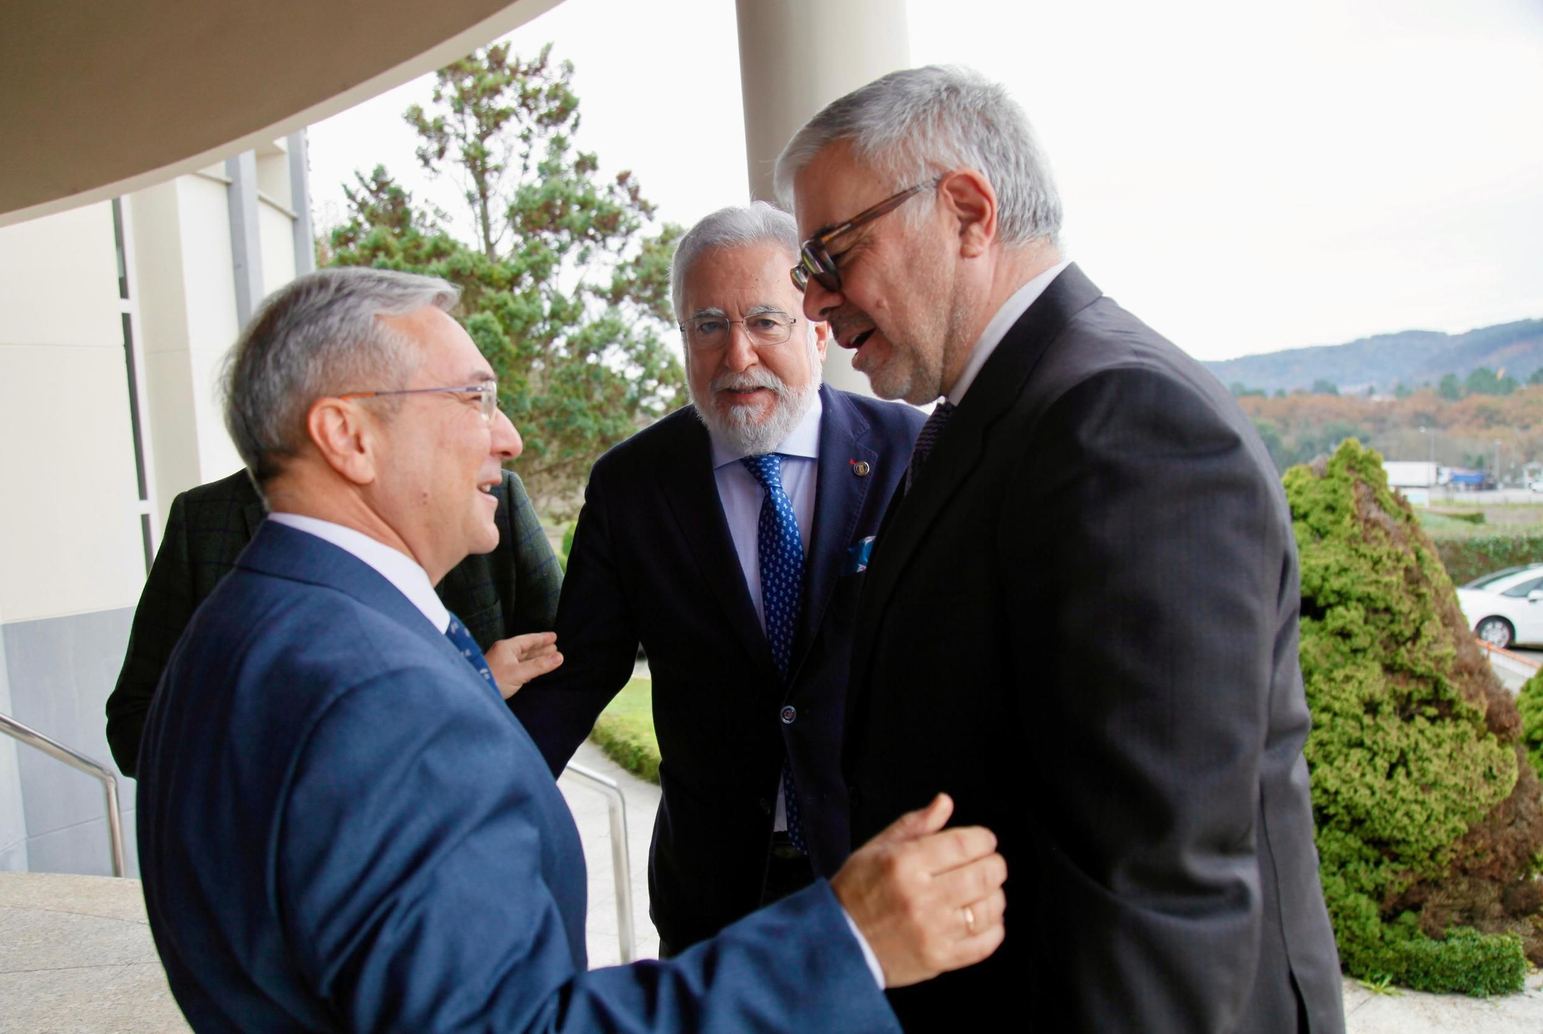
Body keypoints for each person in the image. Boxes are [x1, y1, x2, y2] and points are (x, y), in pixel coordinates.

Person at [135, 266, 1008, 1033]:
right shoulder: (384, 697)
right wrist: (847, 943)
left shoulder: (243, 627)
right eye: (473, 398)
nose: (508, 437)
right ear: (348, 437)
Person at [775, 66, 1346, 1032]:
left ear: (965, 211)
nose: (816, 305)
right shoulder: (986, 415)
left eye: (833, 252)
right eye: (806, 271)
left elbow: (1159, 883)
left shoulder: (1122, 419)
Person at [508, 202, 925, 954]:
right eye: (708, 326)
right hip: (714, 897)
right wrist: (461, 807)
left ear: (819, 327)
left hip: (883, 880)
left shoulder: (911, 454)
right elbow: (577, 678)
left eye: (767, 321)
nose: (737, 356)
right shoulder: (632, 485)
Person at [104, 464, 561, 777]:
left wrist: (508, 786)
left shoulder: (493, 500)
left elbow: (569, 669)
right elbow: (134, 729)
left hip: (468, 843)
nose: (504, 438)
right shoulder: (204, 521)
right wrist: (471, 685)